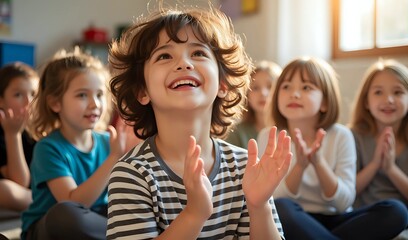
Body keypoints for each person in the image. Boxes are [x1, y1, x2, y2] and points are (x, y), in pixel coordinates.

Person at [106, 5, 293, 240]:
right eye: (164, 55)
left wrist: (259, 207)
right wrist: (195, 214)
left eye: (198, 53)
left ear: (223, 85)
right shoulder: (132, 173)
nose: (184, 63)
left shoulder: (245, 168)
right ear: (142, 90)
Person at [257, 56, 408, 240]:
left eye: (306, 88)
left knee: (396, 211)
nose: (294, 94)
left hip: (337, 218)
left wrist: (318, 163)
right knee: (281, 208)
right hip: (294, 217)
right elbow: (272, 199)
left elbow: (344, 203)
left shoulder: (341, 135)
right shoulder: (269, 136)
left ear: (325, 103)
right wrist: (300, 166)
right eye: (286, 86)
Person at [20, 48, 125, 240]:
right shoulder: (48, 148)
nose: (94, 104)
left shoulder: (107, 141)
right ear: (55, 103)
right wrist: (114, 159)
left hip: (95, 221)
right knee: (64, 215)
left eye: (100, 94)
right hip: (51, 228)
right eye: (82, 95)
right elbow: (74, 201)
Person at [349, 59, 408, 233]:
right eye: (378, 92)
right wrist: (375, 164)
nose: (388, 100)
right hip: (365, 215)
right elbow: (347, 193)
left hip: (406, 217)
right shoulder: (353, 136)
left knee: (398, 211)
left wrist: (391, 169)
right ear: (366, 101)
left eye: (398, 92)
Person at [0, 62, 38, 211]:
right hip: (21, 194)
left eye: (34, 94)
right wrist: (12, 134)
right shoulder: (3, 132)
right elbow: (19, 182)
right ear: (1, 101)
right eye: (18, 95)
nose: (29, 102)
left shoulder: (43, 130)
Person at [226, 60, 281, 148]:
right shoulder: (235, 133)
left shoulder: (288, 131)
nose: (263, 93)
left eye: (270, 86)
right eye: (255, 88)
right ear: (246, 94)